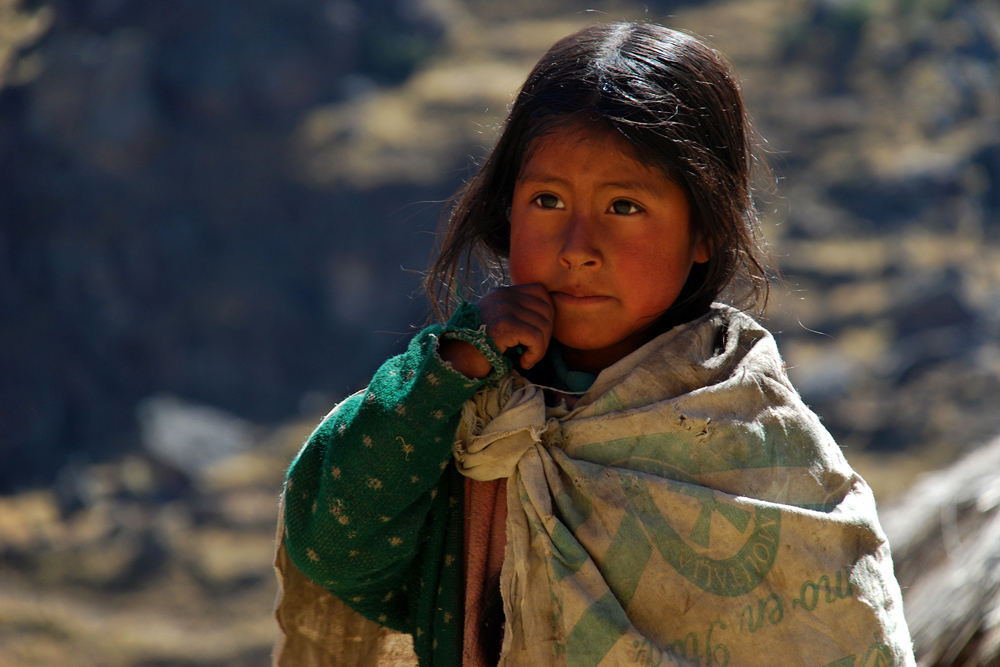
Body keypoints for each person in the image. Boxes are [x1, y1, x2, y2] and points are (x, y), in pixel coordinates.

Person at [274, 22, 915, 667]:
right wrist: (450, 369)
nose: (577, 248)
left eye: (625, 207)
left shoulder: (760, 442)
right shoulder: (460, 406)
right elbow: (332, 544)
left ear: (705, 233)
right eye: (548, 201)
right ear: (507, 213)